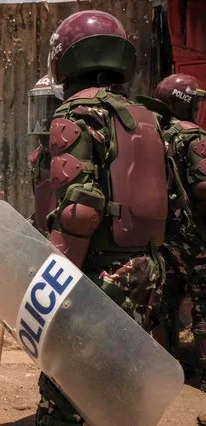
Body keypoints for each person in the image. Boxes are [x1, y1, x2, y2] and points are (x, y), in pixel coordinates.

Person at [38, 11, 169, 425]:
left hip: (97, 276)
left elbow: (80, 211)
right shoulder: (147, 117)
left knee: (68, 387)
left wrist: (51, 283)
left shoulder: (76, 115)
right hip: (146, 268)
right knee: (122, 381)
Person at [140, 73, 206, 392]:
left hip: (164, 232)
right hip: (196, 235)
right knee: (203, 300)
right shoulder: (194, 136)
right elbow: (202, 185)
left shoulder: (153, 133)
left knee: (166, 296)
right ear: (186, 103)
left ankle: (167, 363)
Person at [27, 74, 61, 235]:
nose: (45, 118)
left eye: (52, 109)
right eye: (42, 109)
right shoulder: (38, 158)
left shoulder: (77, 158)